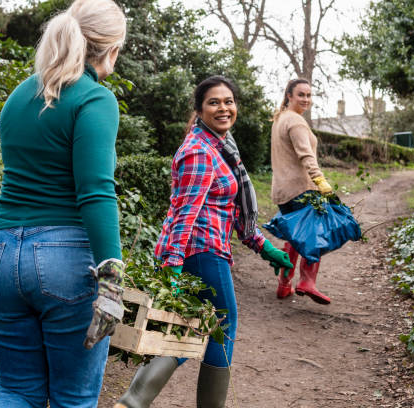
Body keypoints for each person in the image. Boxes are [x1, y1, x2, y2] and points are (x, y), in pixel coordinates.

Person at [0, 1, 126, 406]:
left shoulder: (19, 96)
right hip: (62, 261)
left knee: (16, 392)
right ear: (111, 49)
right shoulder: (95, 99)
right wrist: (112, 281)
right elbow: (96, 191)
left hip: (1, 257)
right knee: (72, 399)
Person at [115, 76, 293, 408]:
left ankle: (132, 402)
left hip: (206, 249)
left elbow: (229, 210)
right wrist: (173, 267)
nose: (223, 108)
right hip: (200, 251)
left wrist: (263, 246)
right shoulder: (199, 150)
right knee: (221, 325)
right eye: (214, 102)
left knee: (191, 329)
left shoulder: (222, 147)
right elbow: (184, 215)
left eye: (229, 101)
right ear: (199, 110)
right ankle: (134, 400)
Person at [270, 78, 333, 304]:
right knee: (314, 235)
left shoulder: (280, 119)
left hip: (282, 191)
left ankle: (284, 285)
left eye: (308, 95)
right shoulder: (295, 122)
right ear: (289, 95)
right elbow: (306, 155)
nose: (306, 99)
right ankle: (307, 281)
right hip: (301, 190)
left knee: (294, 238)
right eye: (301, 95)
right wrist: (320, 182)